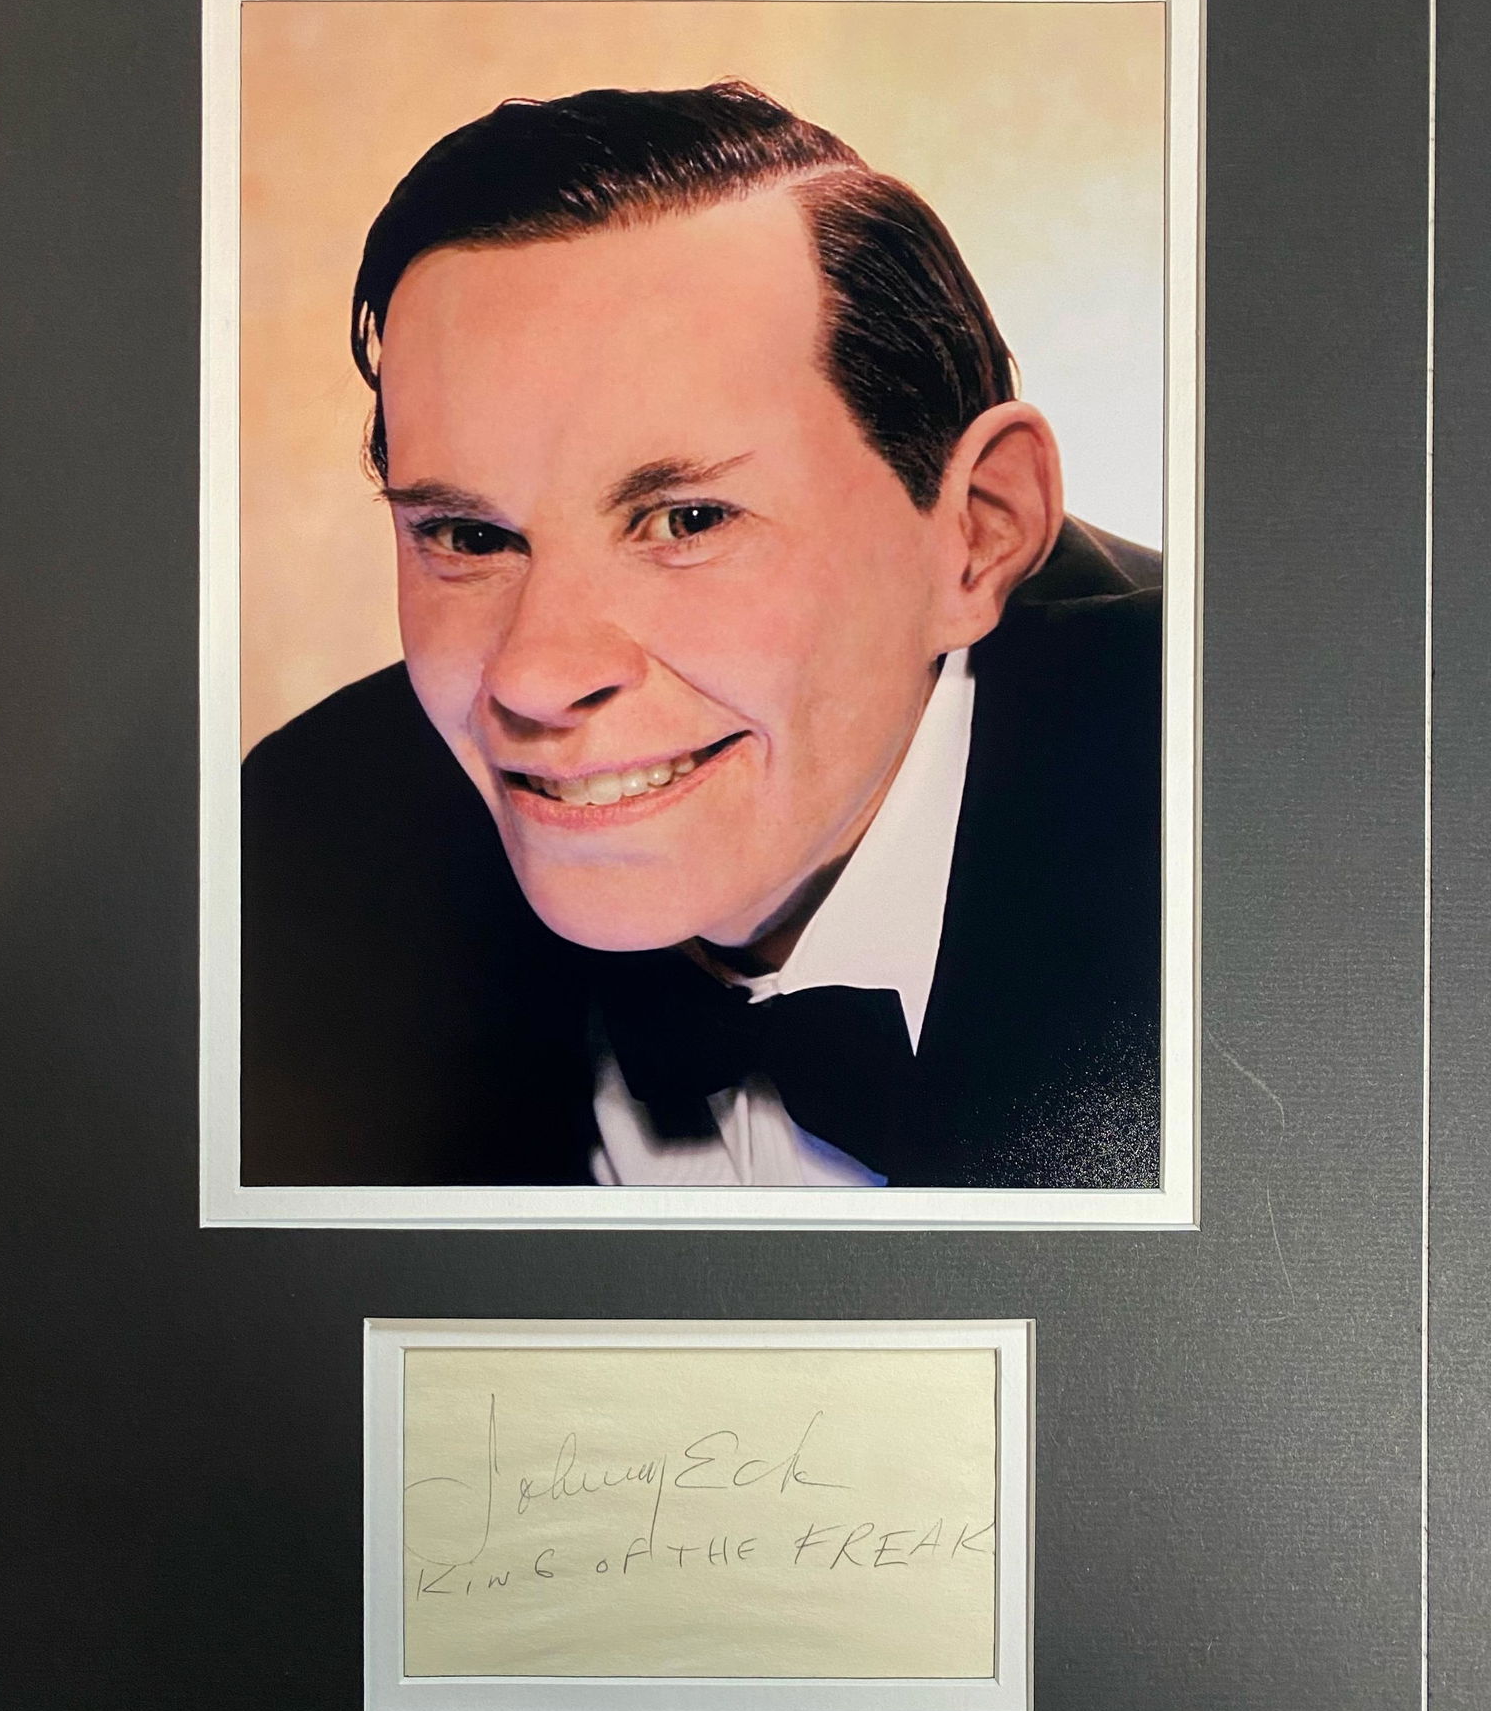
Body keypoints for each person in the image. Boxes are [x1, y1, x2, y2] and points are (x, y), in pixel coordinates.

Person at [241, 81, 1161, 1192]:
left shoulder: (1258, 822)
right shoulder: (303, 851)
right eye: (470, 537)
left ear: (975, 533)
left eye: (686, 521)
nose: (537, 676)